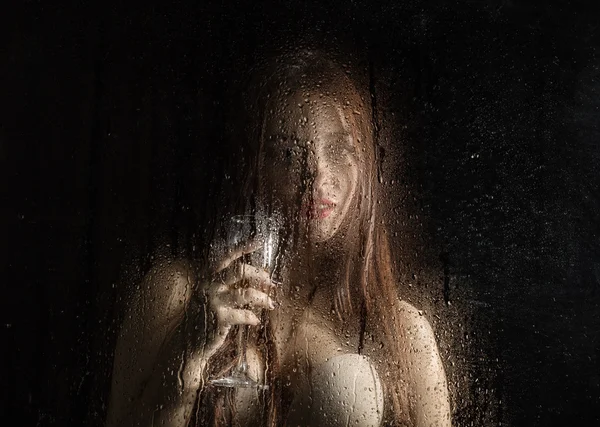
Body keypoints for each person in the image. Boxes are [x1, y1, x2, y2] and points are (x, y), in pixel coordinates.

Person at [105, 51, 451, 427]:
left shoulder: (403, 335)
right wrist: (188, 355)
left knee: (350, 385)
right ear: (253, 170)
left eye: (338, 149)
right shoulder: (178, 293)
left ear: (366, 162)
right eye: (287, 155)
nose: (317, 176)